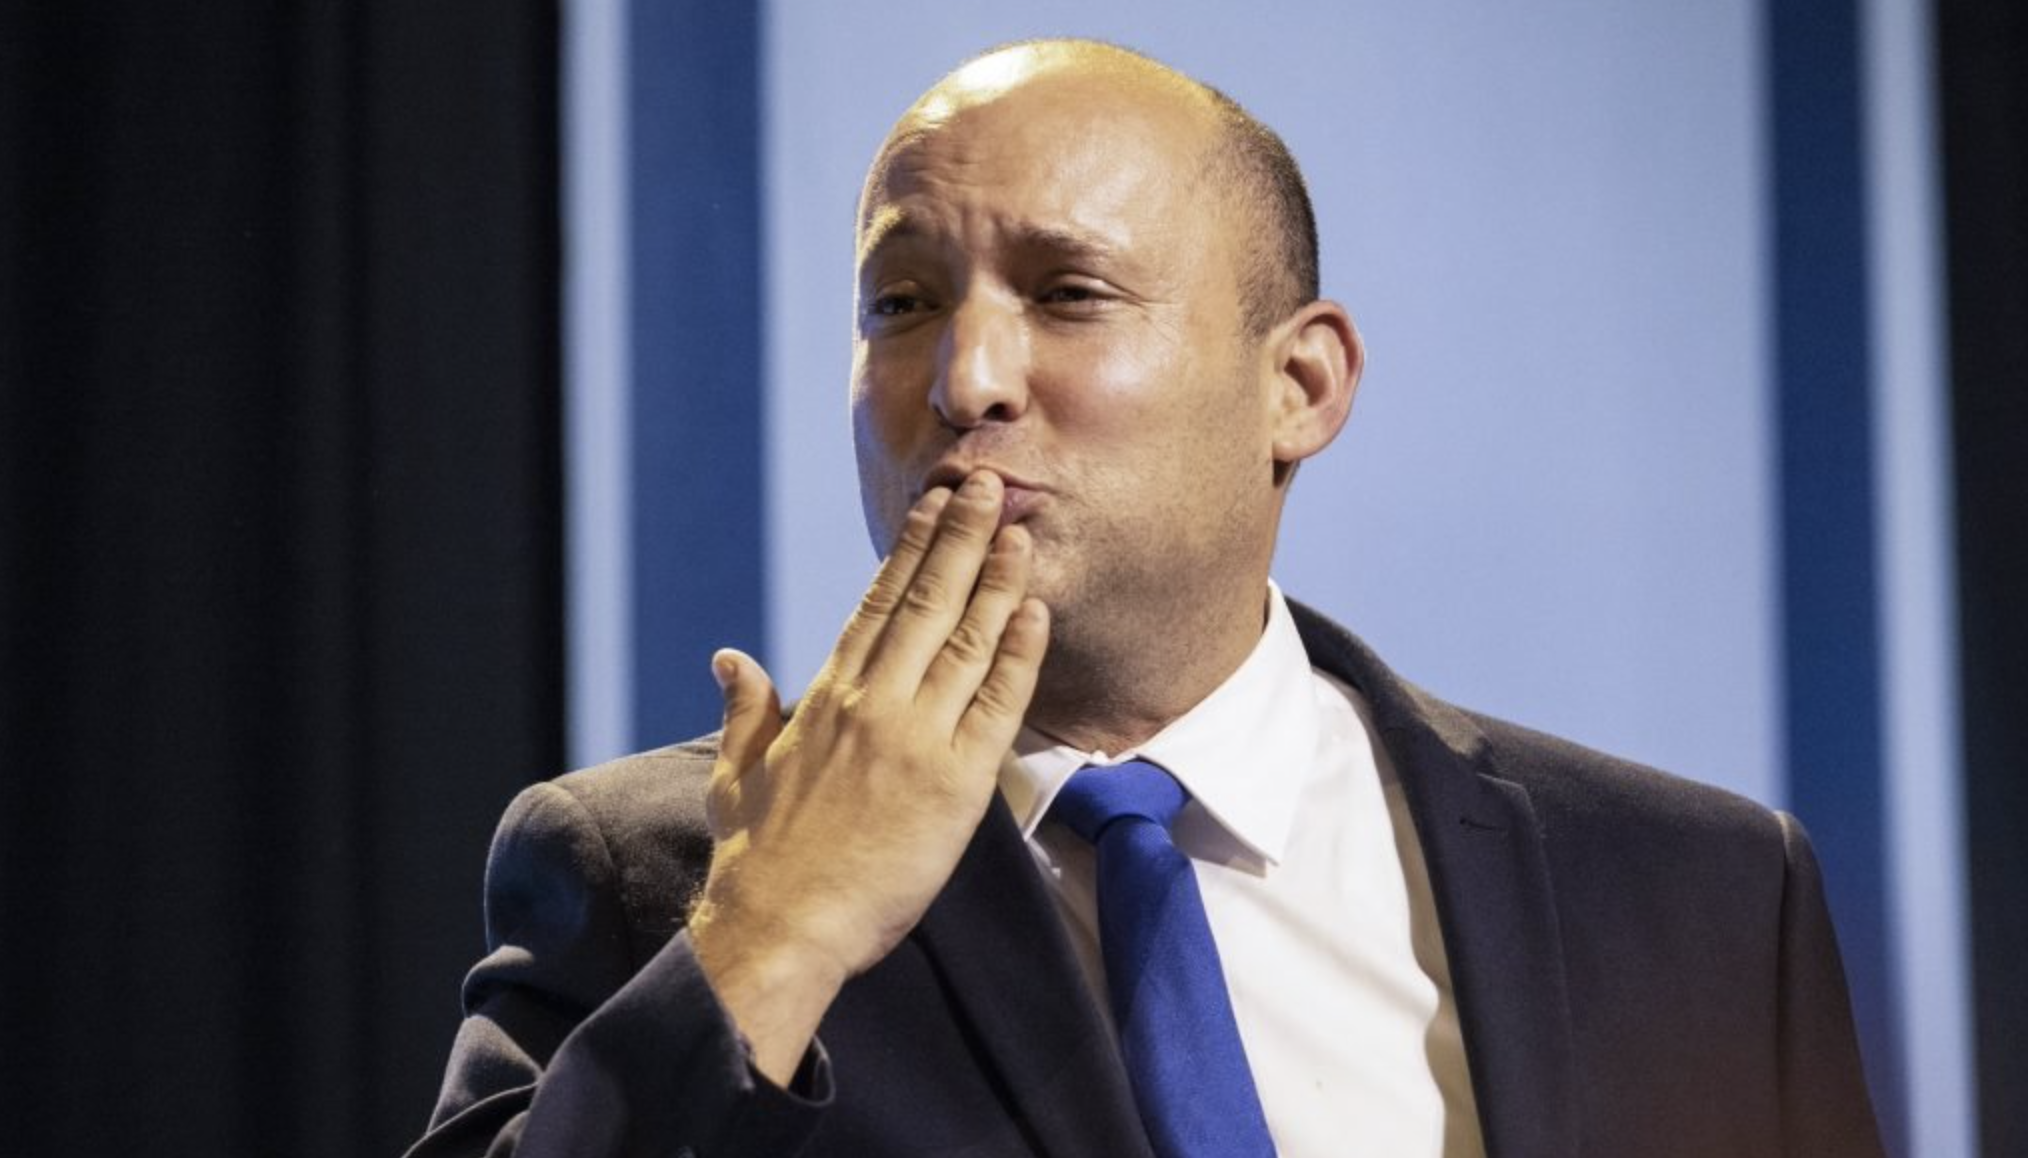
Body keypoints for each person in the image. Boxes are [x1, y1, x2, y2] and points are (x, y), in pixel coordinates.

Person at [406, 39, 1884, 1158]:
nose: (966, 380)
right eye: (902, 304)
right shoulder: (653, 875)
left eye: (1068, 294)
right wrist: (771, 936)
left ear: (1299, 386)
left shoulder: (1699, 896)